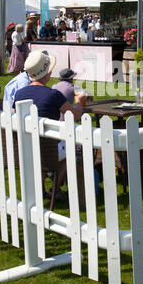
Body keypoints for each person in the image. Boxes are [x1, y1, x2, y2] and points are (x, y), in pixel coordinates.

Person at [13, 50, 85, 204]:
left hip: (25, 149)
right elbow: (75, 115)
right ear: (46, 74)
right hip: (48, 151)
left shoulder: (19, 94)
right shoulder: (53, 95)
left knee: (50, 150)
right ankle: (56, 188)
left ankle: (42, 188)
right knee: (73, 150)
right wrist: (79, 101)